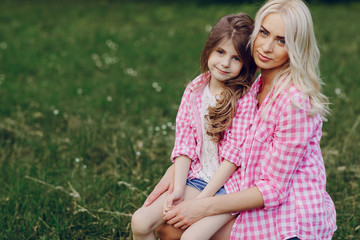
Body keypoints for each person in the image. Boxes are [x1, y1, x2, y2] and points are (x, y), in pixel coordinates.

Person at [144, 0, 337, 239]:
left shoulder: (295, 102)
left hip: (287, 213)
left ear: (297, 47)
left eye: (282, 40)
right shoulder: (253, 84)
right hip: (247, 188)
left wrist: (202, 207)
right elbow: (225, 145)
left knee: (179, 231)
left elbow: (273, 189)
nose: (266, 47)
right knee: (167, 228)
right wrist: (177, 172)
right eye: (264, 33)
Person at [131, 13, 257, 240]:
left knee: (191, 238)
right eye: (220, 52)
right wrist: (178, 188)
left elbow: (232, 158)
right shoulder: (195, 90)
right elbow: (185, 142)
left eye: (236, 58)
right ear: (209, 49)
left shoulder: (244, 100)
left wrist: (201, 203)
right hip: (197, 177)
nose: (225, 63)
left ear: (245, 64)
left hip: (229, 188)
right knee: (140, 222)